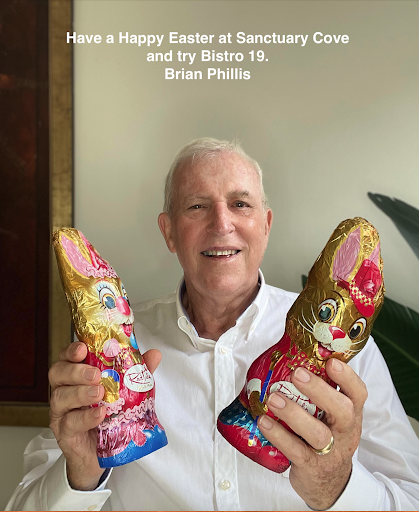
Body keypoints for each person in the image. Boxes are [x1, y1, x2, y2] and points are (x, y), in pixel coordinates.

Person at [7, 138, 419, 511]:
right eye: (197, 206)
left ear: (266, 226)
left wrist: (336, 486)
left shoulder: (347, 354)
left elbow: (410, 497)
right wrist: (80, 474)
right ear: (169, 232)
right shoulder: (110, 349)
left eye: (240, 204)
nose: (222, 223)